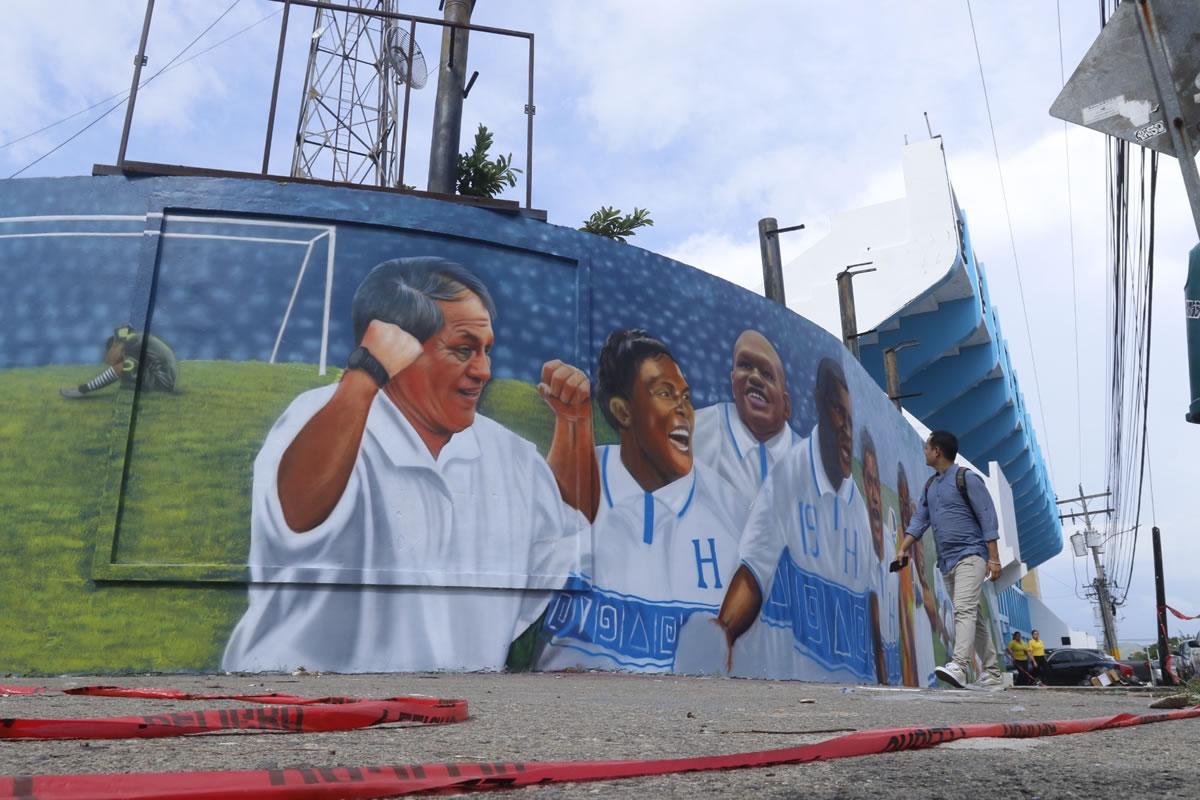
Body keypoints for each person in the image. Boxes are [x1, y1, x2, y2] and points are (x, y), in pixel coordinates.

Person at [222, 257, 598, 673]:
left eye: (486, 350)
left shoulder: (507, 452)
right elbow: (297, 513)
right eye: (463, 350)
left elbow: (571, 526)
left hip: (456, 713)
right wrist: (365, 374)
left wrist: (574, 424)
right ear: (397, 348)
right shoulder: (321, 419)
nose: (484, 371)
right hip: (305, 708)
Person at [537, 329, 748, 674]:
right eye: (665, 393)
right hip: (562, 721)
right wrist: (570, 421)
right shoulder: (577, 478)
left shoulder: (731, 512)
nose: (683, 409)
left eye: (686, 396)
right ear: (623, 411)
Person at [715, 357, 875, 682]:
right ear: (818, 405)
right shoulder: (790, 473)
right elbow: (753, 571)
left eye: (850, 420)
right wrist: (720, 638)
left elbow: (869, 604)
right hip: (794, 692)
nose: (846, 431)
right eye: (837, 413)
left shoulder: (856, 505)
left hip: (852, 691)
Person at [892, 430, 1003, 689]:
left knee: (963, 610)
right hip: (947, 561)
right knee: (972, 616)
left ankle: (960, 666)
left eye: (927, 447)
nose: (925, 452)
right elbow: (920, 520)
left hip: (971, 555)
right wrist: (903, 548)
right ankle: (993, 673)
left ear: (937, 451)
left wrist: (994, 559)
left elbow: (988, 517)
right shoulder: (931, 486)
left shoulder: (967, 479)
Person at [693, 330, 798, 502]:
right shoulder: (704, 427)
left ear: (786, 405)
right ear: (733, 381)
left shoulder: (806, 458)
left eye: (767, 374)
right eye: (746, 366)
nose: (755, 377)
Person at [862, 430, 900, 685]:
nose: (875, 494)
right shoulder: (856, 532)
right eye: (869, 481)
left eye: (878, 483)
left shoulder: (890, 541)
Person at [59, 325, 177, 397]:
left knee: (125, 365)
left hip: (162, 381)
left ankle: (82, 390)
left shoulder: (131, 341)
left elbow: (110, 360)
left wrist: (116, 344)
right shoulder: (138, 341)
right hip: (164, 379)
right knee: (129, 366)